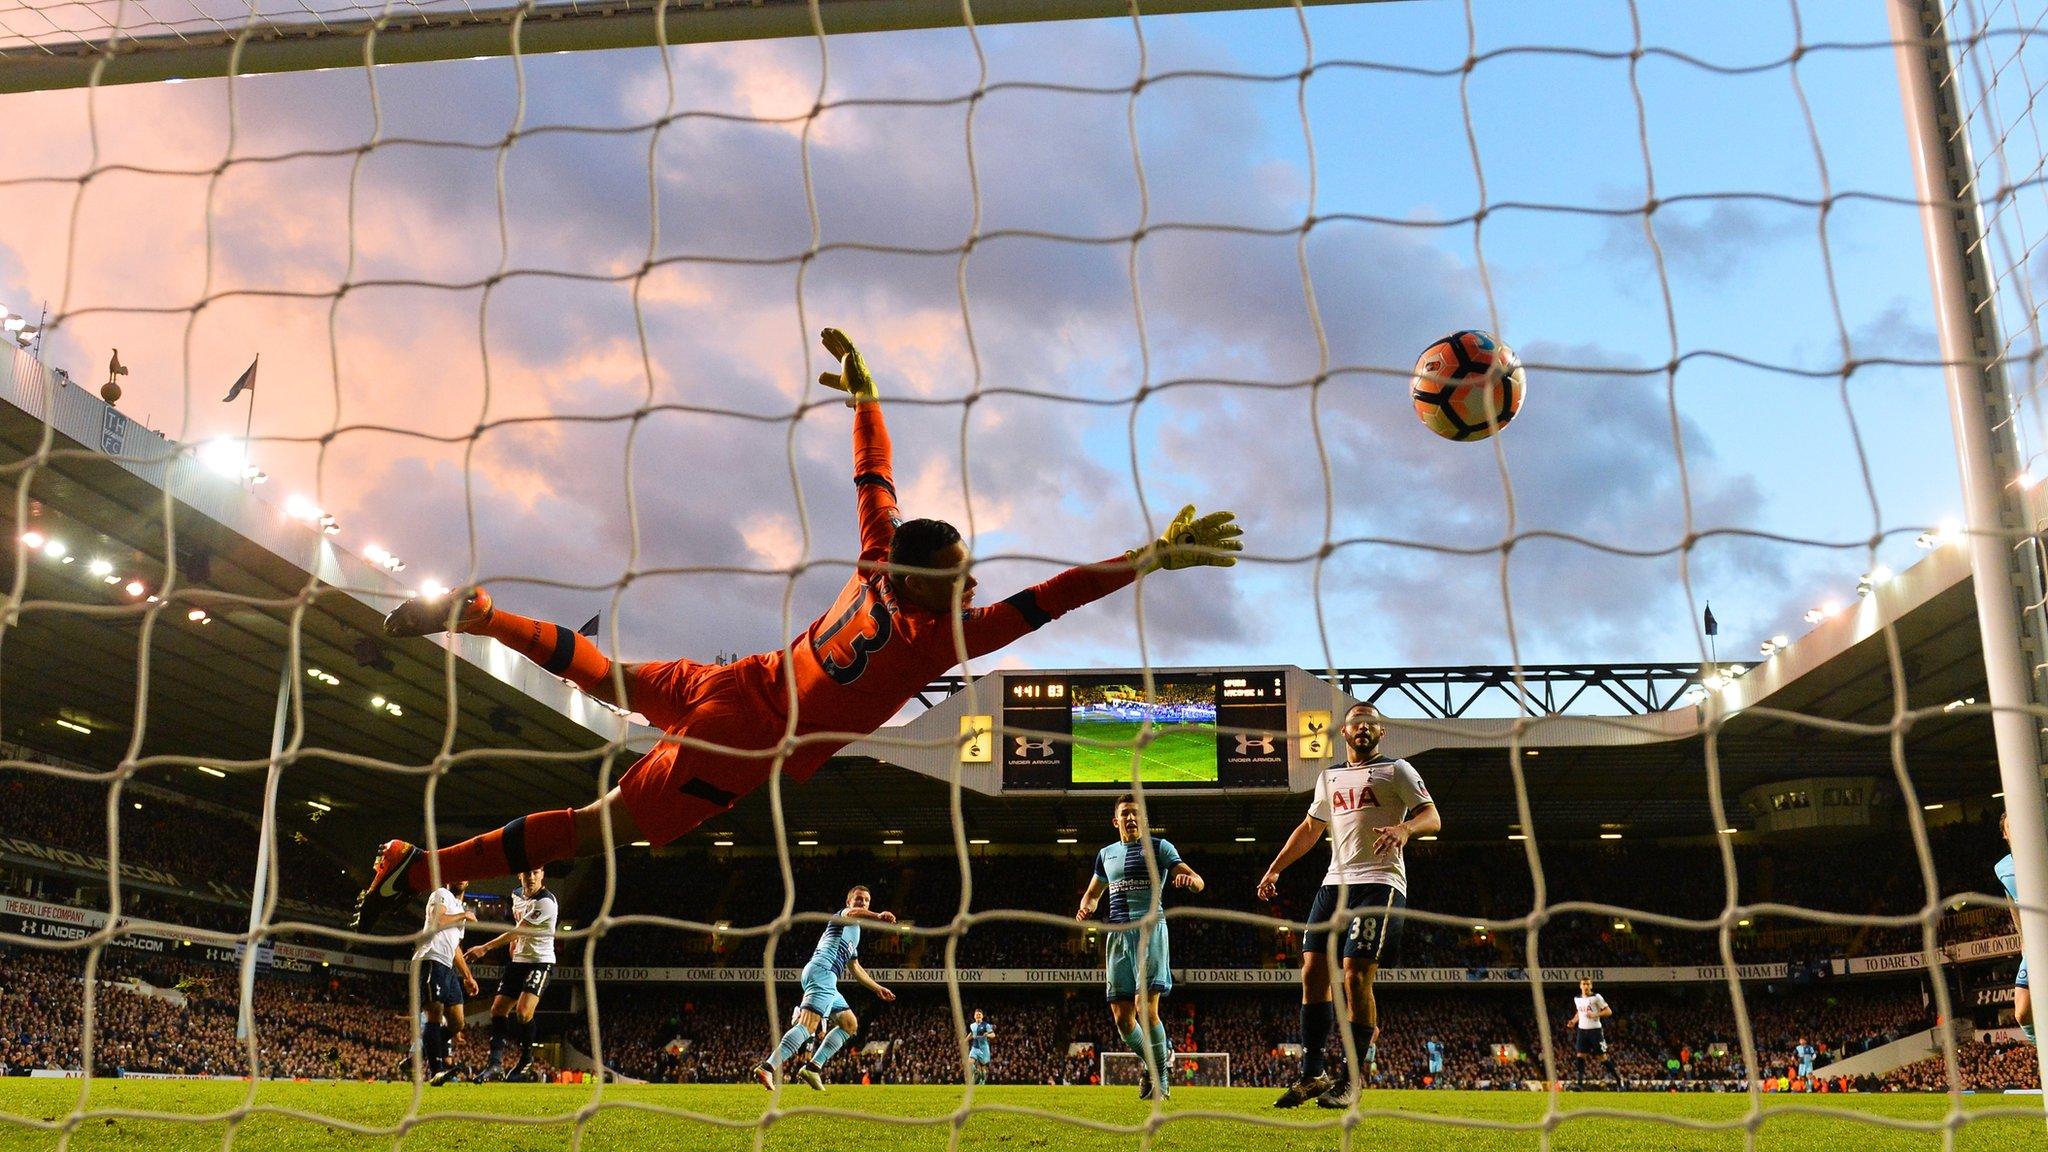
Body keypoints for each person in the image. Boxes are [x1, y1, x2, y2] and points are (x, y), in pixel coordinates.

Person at [352, 328, 1242, 931]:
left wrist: (865, 397)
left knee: (608, 676)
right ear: (935, 589)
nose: (976, 577)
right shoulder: (941, 637)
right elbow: (1057, 595)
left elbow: (873, 475)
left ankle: (486, 616)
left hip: (734, 680)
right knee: (597, 828)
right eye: (963, 573)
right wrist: (1151, 558)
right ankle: (422, 867)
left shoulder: (880, 558)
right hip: (747, 741)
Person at [1258, 702, 1439, 1109]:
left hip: (1379, 883)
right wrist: (1274, 869)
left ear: (1381, 733)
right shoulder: (1330, 776)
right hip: (1333, 883)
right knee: (1311, 970)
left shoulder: (1398, 770)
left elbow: (1433, 816)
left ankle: (1352, 1079)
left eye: (1371, 724)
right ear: (1343, 731)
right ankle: (1312, 1073)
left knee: (1355, 975)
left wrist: (1405, 829)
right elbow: (1309, 829)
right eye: (1356, 723)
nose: (1363, 729)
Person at [1076, 793, 1204, 1100]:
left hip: (1149, 931)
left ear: (1143, 820)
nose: (1131, 818)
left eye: (1136, 813)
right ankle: (1154, 1063)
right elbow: (1093, 894)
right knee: (1122, 1020)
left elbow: (1197, 879)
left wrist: (1191, 882)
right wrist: (1086, 907)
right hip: (1117, 936)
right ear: (1116, 820)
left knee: (1145, 1010)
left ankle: (1161, 1079)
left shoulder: (1160, 848)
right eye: (1126, 813)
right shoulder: (1105, 854)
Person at [752, 885, 897, 1090]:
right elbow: (854, 912)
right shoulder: (843, 915)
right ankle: (767, 1067)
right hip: (822, 972)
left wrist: (877, 988)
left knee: (849, 1024)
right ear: (849, 902)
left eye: (866, 900)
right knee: (808, 1026)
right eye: (858, 899)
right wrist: (878, 915)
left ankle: (813, 1068)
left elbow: (854, 967)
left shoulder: (855, 932)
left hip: (828, 978)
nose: (861, 902)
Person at [462, 867, 558, 1082]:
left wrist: (485, 948)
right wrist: (514, 943)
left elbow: (520, 929)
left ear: (543, 874)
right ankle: (495, 1064)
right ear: (519, 875)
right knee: (497, 1009)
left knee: (523, 1013)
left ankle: (526, 1060)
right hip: (519, 961)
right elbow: (518, 925)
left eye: (535, 873)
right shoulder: (516, 894)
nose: (531, 877)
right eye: (527, 873)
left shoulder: (546, 902)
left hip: (540, 962)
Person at [416, 881, 481, 1086]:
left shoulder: (460, 907)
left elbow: (455, 948)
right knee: (434, 1015)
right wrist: (463, 915)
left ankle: (421, 1054)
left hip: (447, 967)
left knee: (457, 1023)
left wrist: (468, 976)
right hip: (431, 959)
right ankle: (437, 1071)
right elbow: (437, 921)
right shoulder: (441, 893)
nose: (461, 877)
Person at [1996, 810, 2036, 1044]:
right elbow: (2013, 906)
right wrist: (2022, 938)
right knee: (2021, 1011)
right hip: (2034, 941)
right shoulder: (2001, 868)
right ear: (2005, 834)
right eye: (2011, 826)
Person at [1567, 977, 1621, 1090]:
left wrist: (1595, 1015)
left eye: (1587, 984)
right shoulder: (1577, 998)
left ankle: (1618, 1080)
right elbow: (1579, 1012)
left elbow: (1608, 1011)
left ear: (1591, 986)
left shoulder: (1596, 997)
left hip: (1595, 1031)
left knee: (1602, 1058)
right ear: (1580, 986)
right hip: (1582, 1031)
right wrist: (1573, 1021)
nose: (1585, 986)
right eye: (1583, 984)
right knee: (1580, 1056)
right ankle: (1580, 1084)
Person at [968, 1008, 995, 1084]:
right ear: (974, 1016)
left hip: (983, 1048)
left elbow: (993, 1035)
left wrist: (988, 1034)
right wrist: (965, 1040)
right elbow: (971, 1033)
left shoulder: (986, 1025)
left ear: (982, 1016)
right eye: (977, 1014)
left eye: (979, 1014)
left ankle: (982, 1081)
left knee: (982, 1067)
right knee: (970, 1063)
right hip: (975, 1047)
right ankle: (976, 1072)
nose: (978, 1015)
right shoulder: (972, 1025)